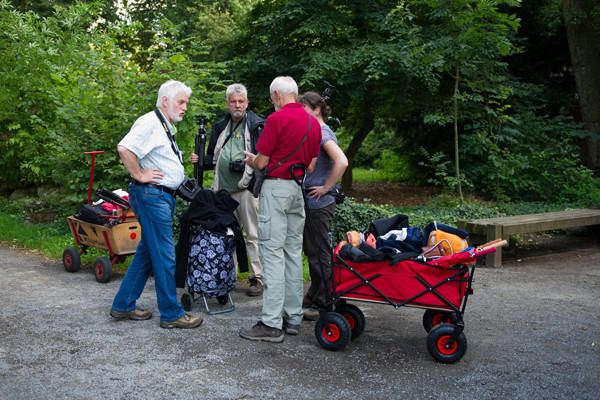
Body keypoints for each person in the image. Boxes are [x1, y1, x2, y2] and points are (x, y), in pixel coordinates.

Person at [109, 79, 203, 329]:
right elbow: (125, 148)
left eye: (186, 103)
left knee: (147, 254)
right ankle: (171, 313)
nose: (185, 107)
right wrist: (139, 174)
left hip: (160, 197)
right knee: (163, 255)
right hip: (152, 196)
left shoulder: (165, 126)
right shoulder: (150, 122)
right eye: (181, 102)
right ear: (165, 101)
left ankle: (123, 305)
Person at [239, 76, 321, 342]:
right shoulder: (314, 123)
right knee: (292, 254)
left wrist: (252, 160)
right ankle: (293, 317)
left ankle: (271, 323)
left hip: (276, 189)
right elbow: (309, 167)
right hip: (298, 190)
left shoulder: (276, 120)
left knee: (271, 254)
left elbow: (261, 163)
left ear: (277, 94)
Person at [190, 84, 266, 296]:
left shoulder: (256, 125)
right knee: (226, 234)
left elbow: (264, 159)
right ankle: (225, 277)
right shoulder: (220, 126)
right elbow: (212, 160)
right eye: (233, 101)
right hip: (223, 191)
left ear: (247, 103)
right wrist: (199, 160)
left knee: (253, 234)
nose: (237, 105)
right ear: (227, 103)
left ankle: (256, 278)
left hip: (246, 189)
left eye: (241, 101)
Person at [297, 91, 348, 321]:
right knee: (312, 251)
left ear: (316, 109)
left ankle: (323, 303)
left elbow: (342, 161)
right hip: (312, 203)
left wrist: (326, 187)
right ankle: (315, 292)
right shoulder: (315, 131)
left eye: (304, 108)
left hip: (319, 203)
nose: (300, 113)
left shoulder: (323, 132)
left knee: (319, 253)